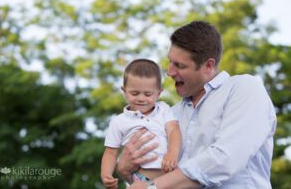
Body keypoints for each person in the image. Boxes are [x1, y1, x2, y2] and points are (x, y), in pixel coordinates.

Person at [116, 21, 277, 189]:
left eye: (179, 65)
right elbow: (162, 177)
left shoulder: (244, 88)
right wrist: (128, 173)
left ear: (208, 65)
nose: (169, 72)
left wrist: (153, 187)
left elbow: (226, 158)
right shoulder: (171, 114)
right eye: (170, 62)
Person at [101, 59, 181, 188]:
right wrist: (106, 175)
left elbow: (173, 130)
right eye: (134, 93)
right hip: (142, 179)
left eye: (148, 94)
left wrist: (172, 152)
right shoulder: (119, 121)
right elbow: (110, 152)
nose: (141, 98)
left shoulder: (163, 109)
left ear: (159, 93)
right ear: (124, 90)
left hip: (172, 176)